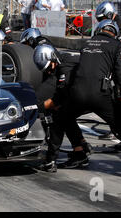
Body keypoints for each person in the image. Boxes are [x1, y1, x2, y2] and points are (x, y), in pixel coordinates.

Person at [58, 20, 121, 179]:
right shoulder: (116, 45)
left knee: (65, 118)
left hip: (78, 93)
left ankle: (73, 154)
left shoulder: (86, 44)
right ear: (114, 32)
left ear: (99, 30)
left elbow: (92, 65)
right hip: (100, 95)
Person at [33, 44, 91, 172]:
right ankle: (80, 149)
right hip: (90, 93)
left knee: (58, 118)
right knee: (66, 116)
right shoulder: (65, 58)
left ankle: (50, 161)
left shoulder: (64, 68)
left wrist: (39, 107)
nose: (48, 72)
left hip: (87, 96)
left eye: (48, 68)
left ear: (52, 58)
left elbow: (59, 97)